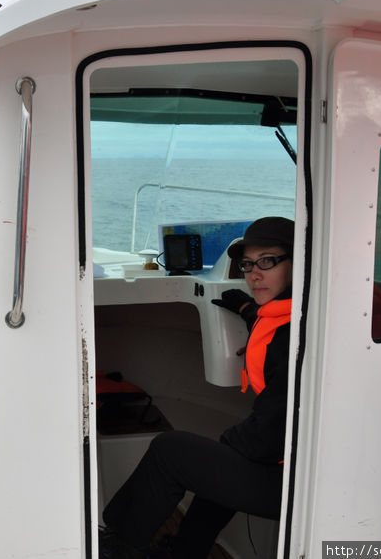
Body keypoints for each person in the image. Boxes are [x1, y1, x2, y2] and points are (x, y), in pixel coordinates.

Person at [101, 217, 295, 558]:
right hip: (289, 465)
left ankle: (119, 546)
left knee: (170, 450)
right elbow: (277, 319)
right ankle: (185, 551)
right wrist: (246, 308)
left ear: (299, 261)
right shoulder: (302, 312)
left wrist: (229, 445)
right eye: (248, 264)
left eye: (268, 261)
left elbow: (266, 434)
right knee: (221, 462)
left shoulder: (296, 339)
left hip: (295, 484)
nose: (254, 274)